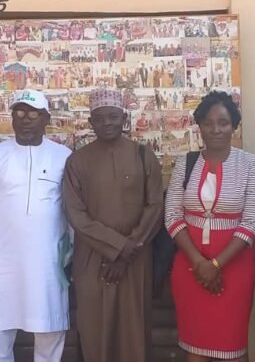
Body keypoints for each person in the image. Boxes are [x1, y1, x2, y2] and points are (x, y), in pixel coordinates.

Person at [0, 90, 72, 362]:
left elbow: (73, 215)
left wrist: (74, 259)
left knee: (49, 336)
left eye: (33, 113)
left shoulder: (64, 157)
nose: (25, 119)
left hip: (48, 267)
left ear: (46, 118)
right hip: (0, 267)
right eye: (19, 113)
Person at [165, 91, 255, 361]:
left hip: (236, 268)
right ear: (199, 125)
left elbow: (254, 218)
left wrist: (216, 265)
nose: (216, 129)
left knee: (232, 346)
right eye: (208, 123)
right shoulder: (185, 163)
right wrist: (200, 263)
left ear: (234, 125)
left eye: (223, 122)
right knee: (195, 347)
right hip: (190, 267)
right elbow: (173, 216)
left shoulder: (250, 164)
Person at [63, 89, 164, 362]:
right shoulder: (77, 161)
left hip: (136, 258)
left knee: (133, 330)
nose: (107, 123)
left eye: (113, 116)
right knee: (94, 329)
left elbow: (155, 206)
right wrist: (118, 247)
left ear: (124, 118)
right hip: (92, 259)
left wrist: (130, 247)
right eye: (100, 118)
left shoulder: (144, 156)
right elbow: (76, 214)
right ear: (91, 122)